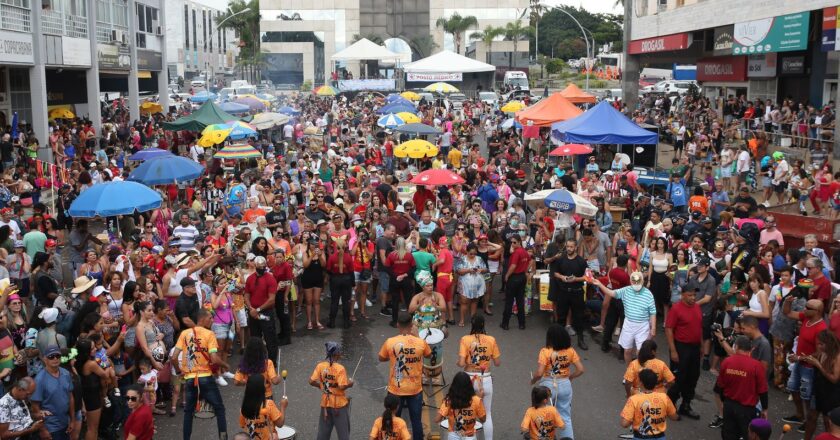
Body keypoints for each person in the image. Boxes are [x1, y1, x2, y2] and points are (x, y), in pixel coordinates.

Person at [172, 309, 230, 440]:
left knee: (188, 412)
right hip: (205, 377)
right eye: (210, 318)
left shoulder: (184, 334)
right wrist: (225, 365)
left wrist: (179, 371)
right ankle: (223, 438)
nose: (212, 320)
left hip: (189, 379)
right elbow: (214, 359)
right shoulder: (209, 334)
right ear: (202, 319)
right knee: (219, 409)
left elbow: (174, 357)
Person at [377, 312, 431, 440]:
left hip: (395, 389)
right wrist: (418, 336)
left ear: (397, 325)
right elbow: (428, 355)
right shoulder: (420, 342)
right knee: (416, 421)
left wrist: (394, 357)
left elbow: (381, 357)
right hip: (415, 389)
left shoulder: (390, 342)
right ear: (412, 325)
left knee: (393, 421)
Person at [530, 324, 584, 439]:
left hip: (548, 386)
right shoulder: (570, 351)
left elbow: (539, 373)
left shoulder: (545, 351)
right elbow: (580, 369)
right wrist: (571, 377)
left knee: (543, 416)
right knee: (565, 416)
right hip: (565, 384)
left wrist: (533, 380)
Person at [589, 271, 657, 364]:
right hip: (628, 324)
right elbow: (611, 293)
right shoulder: (626, 290)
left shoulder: (648, 294)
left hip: (643, 326)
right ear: (631, 282)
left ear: (642, 282)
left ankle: (639, 372)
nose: (636, 285)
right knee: (627, 351)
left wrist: (653, 327)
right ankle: (630, 371)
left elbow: (652, 312)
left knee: (641, 352)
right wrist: (600, 284)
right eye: (634, 283)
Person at [782, 298, 827, 430]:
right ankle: (799, 415)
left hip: (809, 367)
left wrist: (799, 358)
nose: (804, 309)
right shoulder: (806, 318)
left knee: (806, 396)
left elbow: (819, 353)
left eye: (808, 308)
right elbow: (788, 313)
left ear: (817, 311)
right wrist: (788, 301)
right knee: (793, 388)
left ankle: (809, 421)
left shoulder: (821, 328)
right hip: (799, 362)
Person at [714, 335, 768, 440]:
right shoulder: (757, 366)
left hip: (729, 405)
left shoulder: (727, 361)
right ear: (751, 349)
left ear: (736, 347)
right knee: (746, 435)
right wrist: (764, 409)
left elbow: (720, 385)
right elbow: (763, 390)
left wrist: (724, 401)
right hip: (747, 410)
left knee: (728, 434)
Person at [457, 315, 500, 440]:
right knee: (487, 413)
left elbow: (461, 363)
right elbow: (497, 363)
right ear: (483, 325)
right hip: (485, 378)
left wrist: (461, 362)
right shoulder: (491, 339)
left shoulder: (465, 339)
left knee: (466, 411)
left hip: (468, 380)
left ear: (472, 324)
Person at [664, 286, 703, 420]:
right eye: (690, 295)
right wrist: (673, 350)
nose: (693, 298)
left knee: (693, 377)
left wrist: (702, 346)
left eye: (694, 295)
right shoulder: (676, 308)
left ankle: (686, 405)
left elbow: (699, 328)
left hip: (695, 347)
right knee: (678, 378)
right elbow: (669, 329)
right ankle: (670, 405)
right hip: (681, 347)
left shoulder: (697, 307)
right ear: (683, 295)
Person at [309, 341, 353, 440]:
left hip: (325, 403)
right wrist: (350, 384)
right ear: (337, 354)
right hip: (339, 406)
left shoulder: (320, 366)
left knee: (323, 434)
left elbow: (311, 381)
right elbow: (342, 387)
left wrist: (322, 386)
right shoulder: (340, 368)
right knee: (343, 435)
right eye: (340, 352)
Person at [620, 369, 679, 440]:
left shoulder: (634, 399)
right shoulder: (664, 397)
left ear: (641, 383)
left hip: (640, 437)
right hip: (660, 437)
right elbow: (674, 417)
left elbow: (624, 424)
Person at [550, 240, 588, 348]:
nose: (569, 249)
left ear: (576, 247)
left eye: (571, 247)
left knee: (579, 318)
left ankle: (581, 340)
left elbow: (587, 277)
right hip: (563, 292)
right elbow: (555, 273)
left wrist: (576, 279)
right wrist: (563, 277)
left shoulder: (581, 261)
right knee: (560, 318)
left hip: (577, 293)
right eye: (568, 246)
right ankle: (558, 341)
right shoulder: (561, 259)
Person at [31, 345, 74, 440]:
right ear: (45, 359)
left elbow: (70, 397)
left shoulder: (66, 373)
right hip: (51, 427)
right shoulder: (39, 380)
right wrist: (42, 429)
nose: (55, 359)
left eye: (57, 356)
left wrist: (72, 420)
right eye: (51, 357)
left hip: (65, 422)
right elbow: (35, 407)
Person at [244, 256, 278, 363]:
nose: (262, 268)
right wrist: (250, 308)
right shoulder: (250, 279)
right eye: (259, 267)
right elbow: (246, 295)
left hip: (265, 313)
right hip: (253, 312)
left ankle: (272, 361)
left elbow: (271, 299)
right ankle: (257, 360)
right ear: (255, 266)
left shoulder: (270, 278)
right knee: (255, 338)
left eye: (263, 266)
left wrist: (257, 310)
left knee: (270, 337)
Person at [434, 371, 486, 440]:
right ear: (469, 385)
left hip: (453, 435)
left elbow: (437, 419)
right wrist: (480, 399)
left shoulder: (449, 400)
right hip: (470, 436)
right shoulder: (476, 400)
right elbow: (483, 419)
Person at [239, 374, 287, 440]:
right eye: (265, 384)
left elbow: (243, 425)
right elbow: (280, 424)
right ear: (262, 389)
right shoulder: (269, 404)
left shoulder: (243, 408)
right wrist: (283, 407)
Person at [501, 235, 531, 331]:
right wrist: (525, 270)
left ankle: (505, 324)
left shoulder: (516, 253)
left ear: (519, 242)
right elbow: (530, 262)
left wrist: (507, 275)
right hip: (522, 277)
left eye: (514, 242)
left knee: (509, 301)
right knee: (520, 301)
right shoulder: (524, 252)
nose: (512, 244)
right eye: (511, 242)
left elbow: (513, 266)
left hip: (514, 278)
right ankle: (522, 324)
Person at [326, 238, 355, 329]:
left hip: (335, 279)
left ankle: (332, 322)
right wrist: (353, 284)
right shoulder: (348, 257)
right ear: (345, 246)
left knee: (334, 301)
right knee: (346, 302)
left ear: (336, 246)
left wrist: (332, 277)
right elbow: (351, 272)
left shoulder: (332, 257)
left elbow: (328, 270)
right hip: (346, 280)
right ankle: (346, 323)